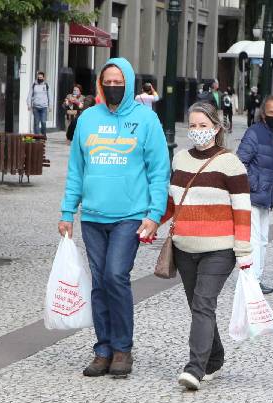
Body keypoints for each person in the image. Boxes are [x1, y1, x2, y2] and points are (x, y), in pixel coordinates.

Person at [58, 57, 171, 378]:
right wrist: (68, 212)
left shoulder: (146, 121)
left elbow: (159, 171)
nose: (112, 87)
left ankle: (123, 349)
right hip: (93, 217)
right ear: (100, 84)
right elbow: (77, 170)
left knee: (115, 276)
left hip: (130, 216)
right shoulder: (88, 119)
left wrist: (154, 214)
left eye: (118, 81)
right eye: (106, 82)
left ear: (130, 82)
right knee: (99, 283)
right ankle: (103, 349)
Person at [160, 102, 252, 390]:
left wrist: (244, 251)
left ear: (216, 128)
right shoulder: (179, 160)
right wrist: (150, 222)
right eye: (193, 125)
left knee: (203, 303)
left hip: (219, 249)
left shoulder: (230, 163)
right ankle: (214, 358)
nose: (197, 131)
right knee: (198, 306)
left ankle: (194, 368)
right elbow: (172, 203)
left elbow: (242, 209)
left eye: (203, 125)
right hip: (184, 247)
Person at [236, 95, 273, 295]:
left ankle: (257, 277)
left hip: (268, 195)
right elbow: (241, 163)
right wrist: (255, 185)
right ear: (263, 113)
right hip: (253, 195)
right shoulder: (254, 133)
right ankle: (252, 280)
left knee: (263, 239)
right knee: (254, 240)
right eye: (271, 112)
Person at [27, 71, 50, 137]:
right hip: (35, 107)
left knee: (43, 122)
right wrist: (29, 105)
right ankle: (37, 136)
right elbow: (30, 95)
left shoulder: (46, 85)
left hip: (44, 107)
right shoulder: (34, 85)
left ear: (43, 77)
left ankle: (43, 135)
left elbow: (49, 95)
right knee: (36, 123)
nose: (39, 78)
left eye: (41, 77)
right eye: (38, 77)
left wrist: (50, 105)